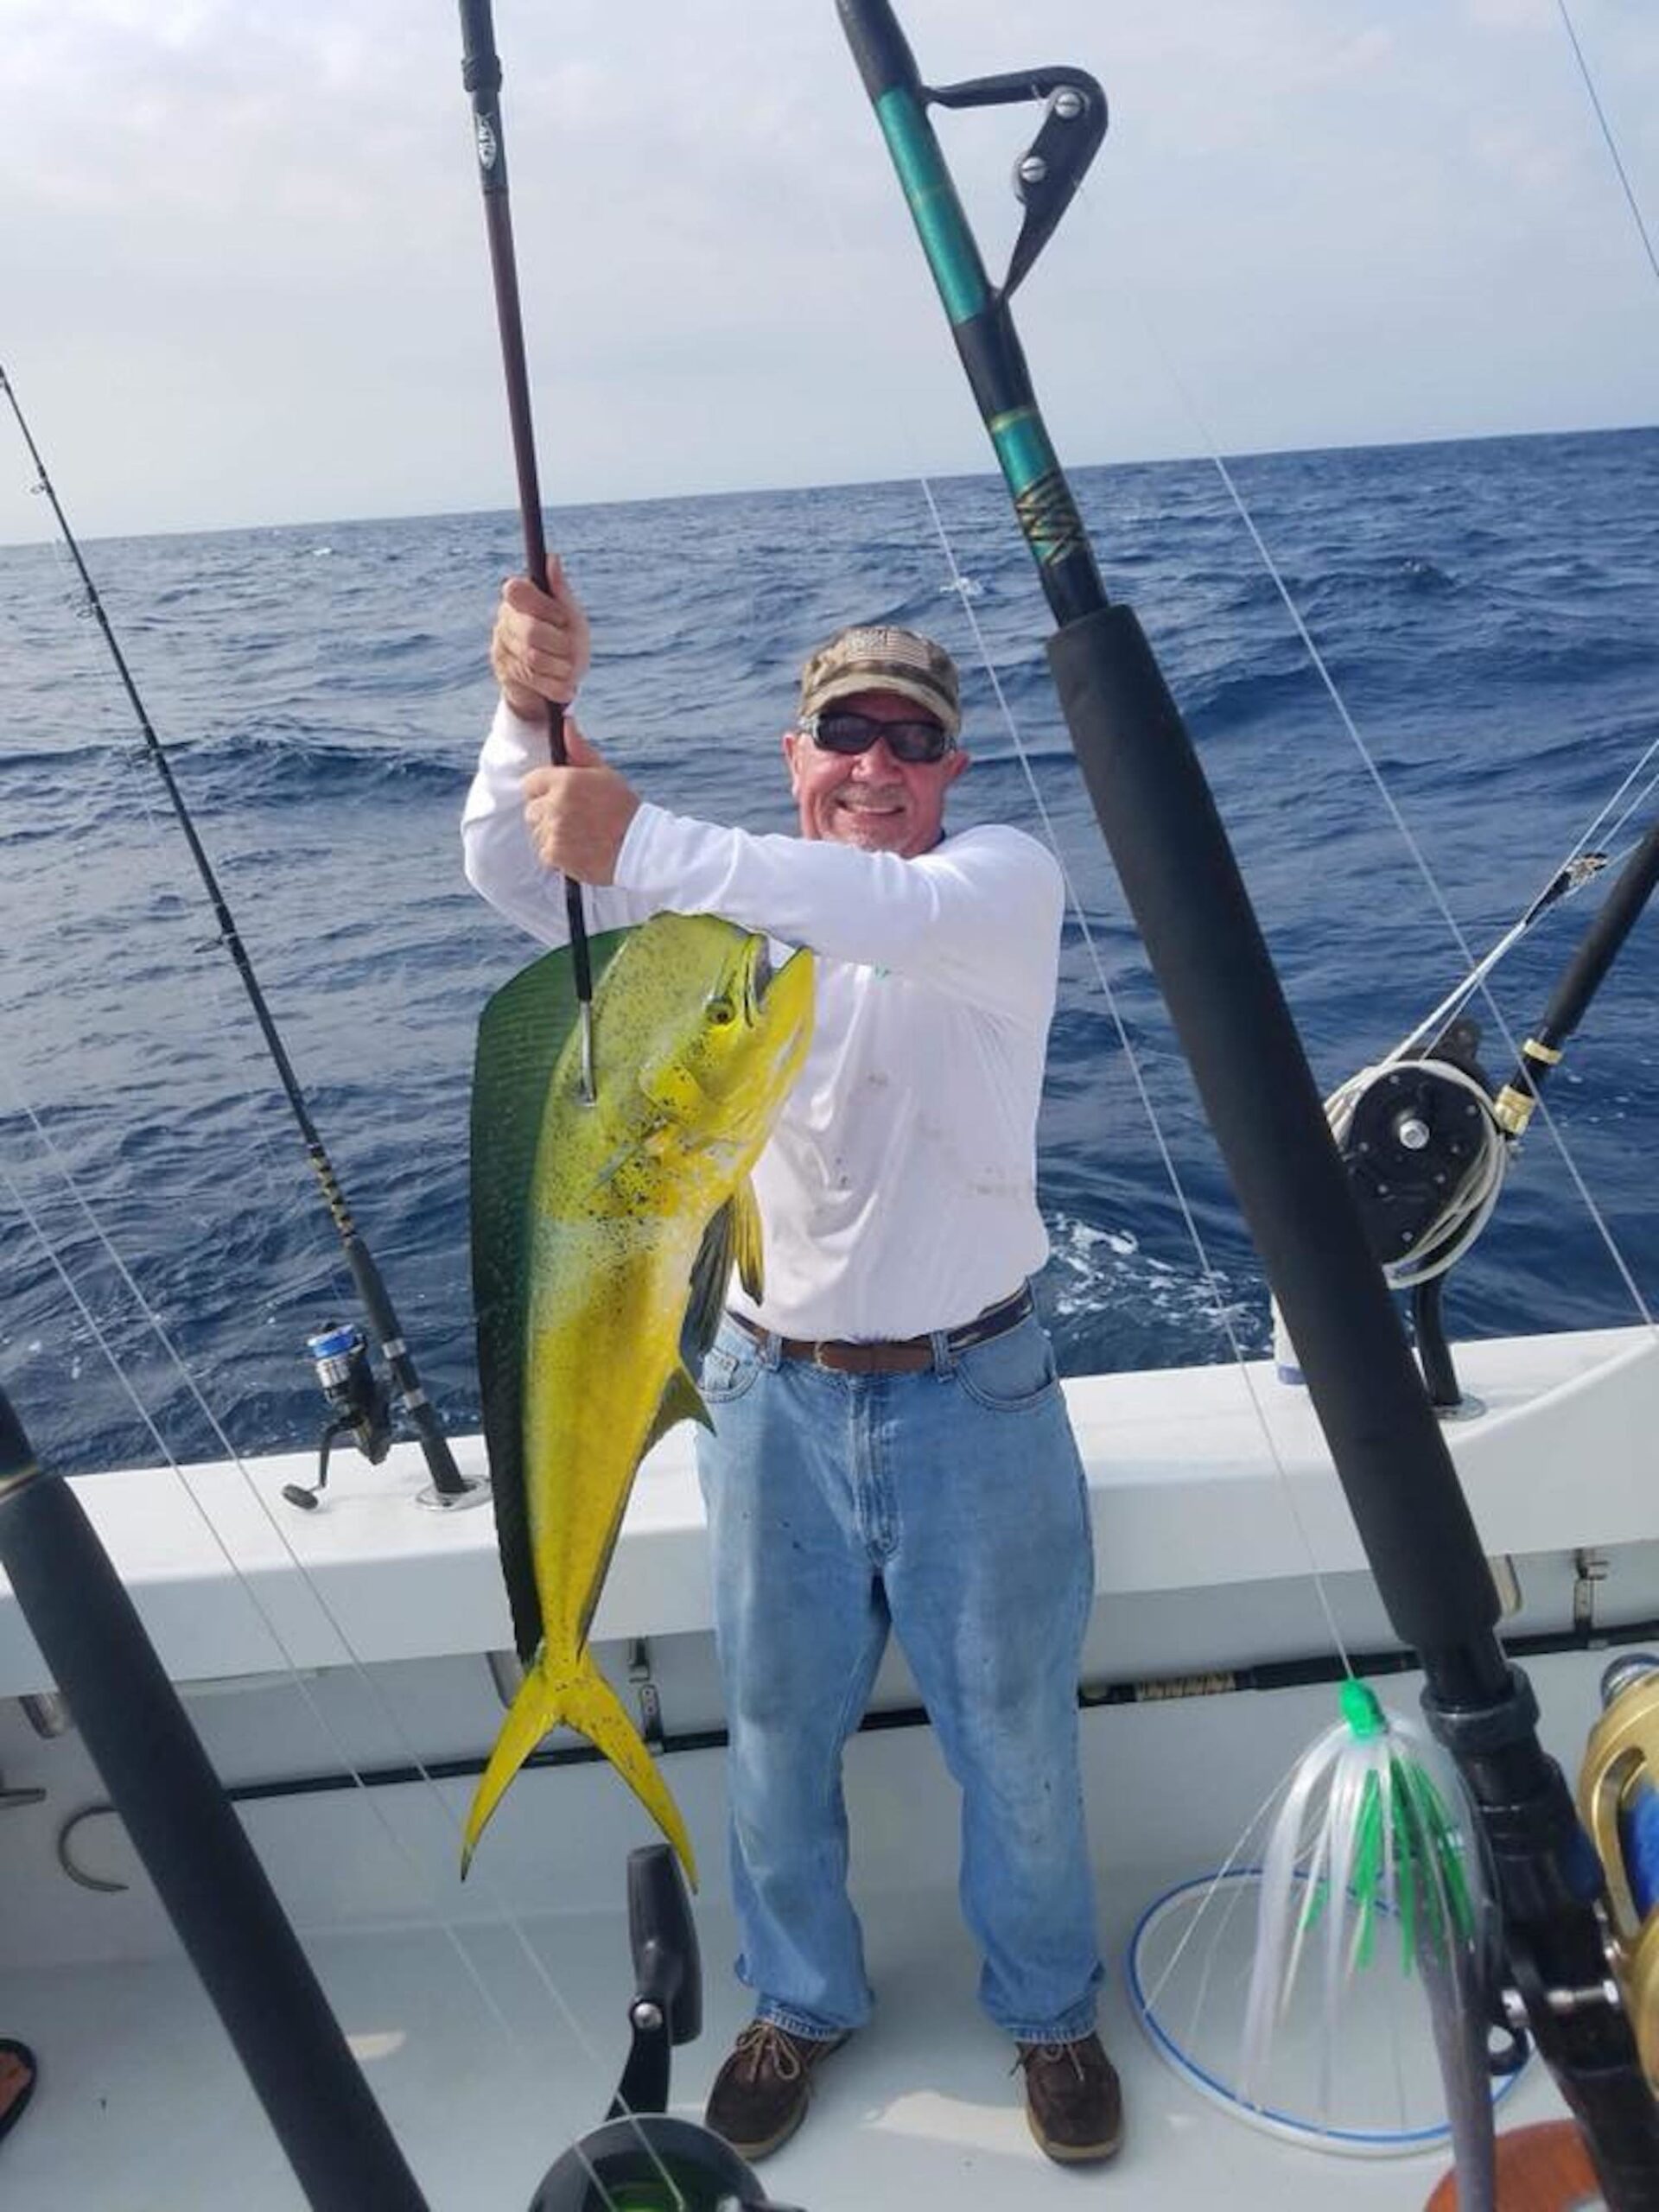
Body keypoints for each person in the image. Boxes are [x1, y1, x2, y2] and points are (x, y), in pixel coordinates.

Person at [461, 561, 1119, 2169]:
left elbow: (867, 912)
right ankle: (799, 2001)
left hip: (979, 1395)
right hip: (766, 1399)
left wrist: (640, 834)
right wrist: (523, 710)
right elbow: (506, 865)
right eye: (847, 734)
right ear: (795, 750)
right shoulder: (720, 917)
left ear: (953, 771)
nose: (877, 767)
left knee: (1017, 1743)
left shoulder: (997, 887)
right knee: (773, 1732)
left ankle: (1049, 2013)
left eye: (913, 740)